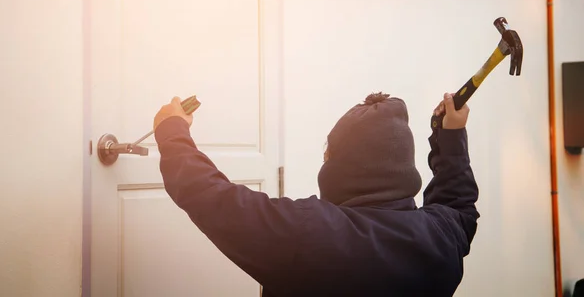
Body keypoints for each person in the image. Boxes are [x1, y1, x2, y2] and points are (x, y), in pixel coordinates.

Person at [153, 91, 479, 297]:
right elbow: (458, 201)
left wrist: (172, 130)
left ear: (343, 166)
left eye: (329, 154)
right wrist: (451, 133)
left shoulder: (313, 234)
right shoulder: (442, 234)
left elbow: (209, 195)